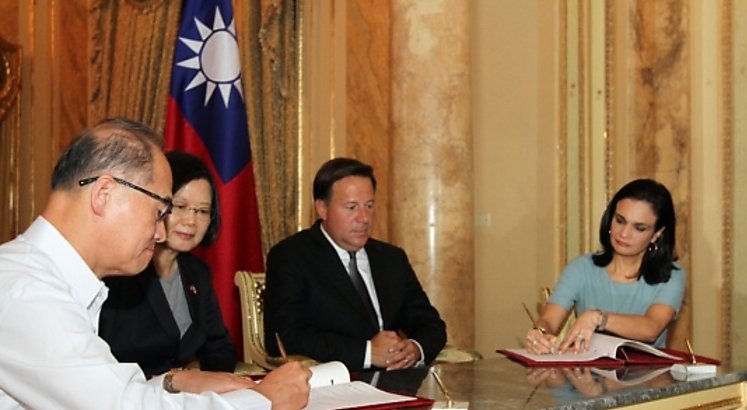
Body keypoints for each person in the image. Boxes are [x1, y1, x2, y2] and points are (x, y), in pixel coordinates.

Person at [0, 118, 309, 409]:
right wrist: (265, 401)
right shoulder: (24, 291)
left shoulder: (48, 280)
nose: (161, 232)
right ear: (104, 194)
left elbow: (104, 391)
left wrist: (175, 382)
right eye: (160, 211)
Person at [264, 158, 447, 371]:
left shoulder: (391, 258)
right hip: (333, 385)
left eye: (369, 206)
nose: (364, 218)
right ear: (322, 208)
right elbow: (284, 337)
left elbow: (431, 324)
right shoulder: (291, 256)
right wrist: (367, 352)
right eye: (351, 207)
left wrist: (415, 348)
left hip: (397, 382)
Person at [100, 151, 236, 378]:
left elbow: (219, 348)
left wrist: (212, 384)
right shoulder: (119, 269)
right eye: (180, 206)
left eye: (202, 211)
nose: (191, 221)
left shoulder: (197, 273)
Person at [526, 178, 684, 355]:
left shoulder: (671, 276)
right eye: (620, 220)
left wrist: (598, 318)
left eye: (639, 228)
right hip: (583, 376)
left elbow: (651, 328)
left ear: (657, 234)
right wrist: (539, 335)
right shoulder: (581, 268)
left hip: (645, 378)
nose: (624, 233)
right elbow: (548, 321)